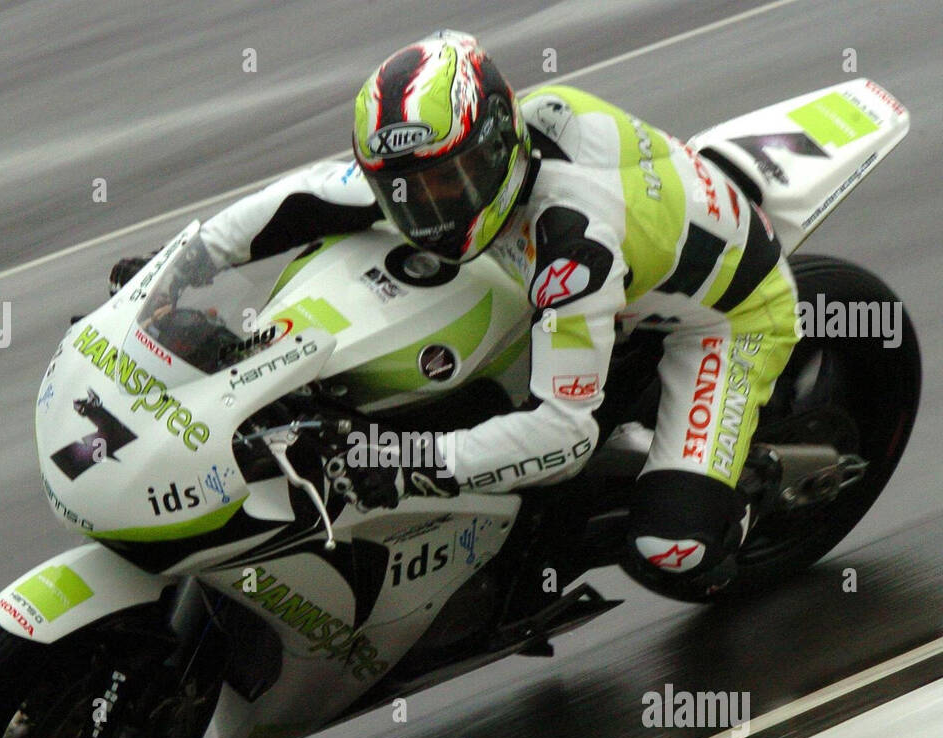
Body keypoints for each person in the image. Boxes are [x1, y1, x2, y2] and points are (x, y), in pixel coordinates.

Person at [109, 29, 800, 596]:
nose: (428, 210)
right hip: (630, 244)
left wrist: (406, 457)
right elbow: (299, 198)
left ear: (497, 142)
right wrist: (179, 268)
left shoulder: (570, 246)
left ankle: (739, 499)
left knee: (671, 549)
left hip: (726, 317)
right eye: (404, 192)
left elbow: (563, 438)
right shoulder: (439, 151)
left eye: (446, 183)